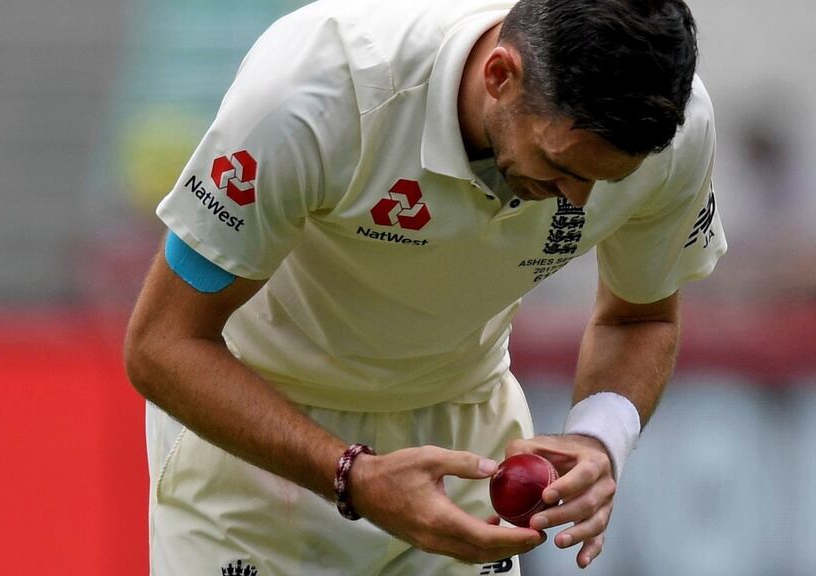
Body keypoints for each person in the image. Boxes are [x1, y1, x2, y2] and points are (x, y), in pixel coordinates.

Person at [124, 0, 725, 574]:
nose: (581, 201)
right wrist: (352, 476)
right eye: (562, 165)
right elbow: (163, 345)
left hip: (467, 447)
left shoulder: (675, 131)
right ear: (499, 75)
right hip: (257, 446)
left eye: (607, 178)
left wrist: (600, 439)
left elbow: (640, 317)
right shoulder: (315, 92)